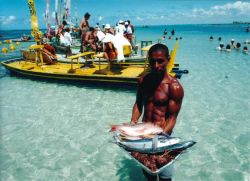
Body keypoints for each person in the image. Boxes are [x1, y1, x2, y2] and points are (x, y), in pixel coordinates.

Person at [130, 43, 184, 181]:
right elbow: (138, 104)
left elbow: (172, 117)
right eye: (152, 61)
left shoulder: (174, 87)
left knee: (165, 175)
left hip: (164, 134)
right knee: (149, 172)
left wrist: (159, 141)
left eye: (160, 61)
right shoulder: (143, 80)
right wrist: (133, 123)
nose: (156, 65)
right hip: (144, 134)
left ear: (168, 59)